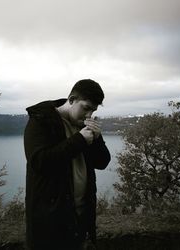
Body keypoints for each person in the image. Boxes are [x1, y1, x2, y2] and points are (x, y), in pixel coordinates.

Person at [24, 79, 111, 250]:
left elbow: (102, 163)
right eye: (85, 108)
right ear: (71, 100)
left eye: (92, 111)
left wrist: (97, 139)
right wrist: (79, 140)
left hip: (79, 219)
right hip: (49, 223)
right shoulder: (41, 120)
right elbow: (39, 161)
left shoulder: (82, 126)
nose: (88, 116)